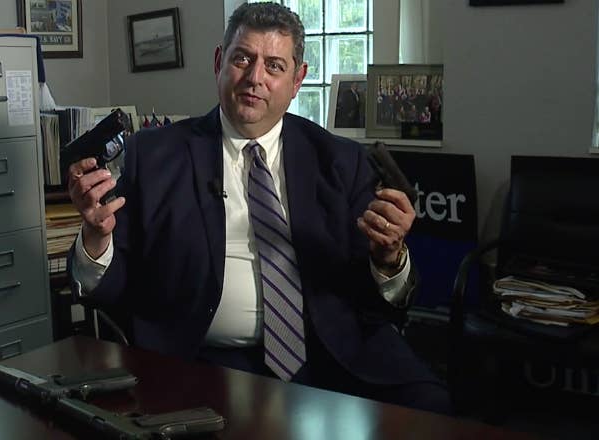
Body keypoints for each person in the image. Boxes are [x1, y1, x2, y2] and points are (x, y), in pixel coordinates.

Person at [68, 2, 451, 414]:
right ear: (219, 61)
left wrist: (389, 258)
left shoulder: (342, 161)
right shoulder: (153, 155)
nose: (255, 78)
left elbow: (383, 301)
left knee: (430, 406)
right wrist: (95, 239)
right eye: (242, 59)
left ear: (297, 79)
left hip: (332, 351)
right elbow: (114, 288)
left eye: (274, 66)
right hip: (204, 357)